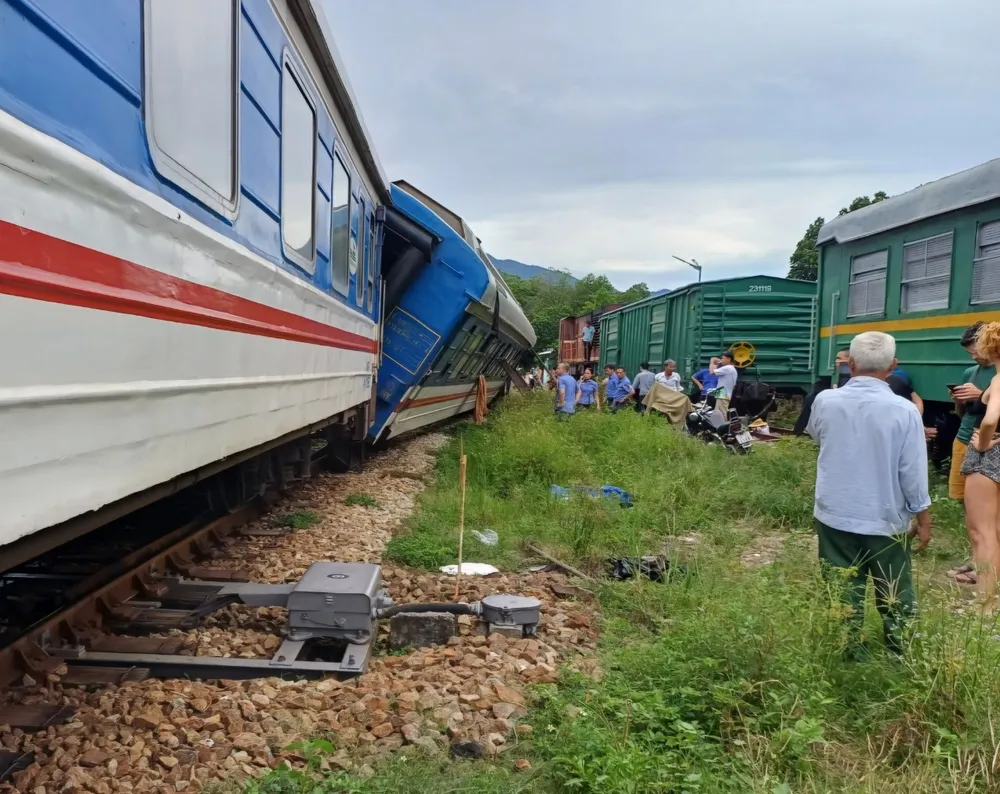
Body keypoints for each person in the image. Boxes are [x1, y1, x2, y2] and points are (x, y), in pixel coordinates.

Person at [806, 331, 931, 658]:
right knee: (894, 587)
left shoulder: (825, 401)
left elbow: (819, 437)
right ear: (892, 366)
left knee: (841, 586)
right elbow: (912, 471)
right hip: (885, 516)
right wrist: (923, 517)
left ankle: (848, 651)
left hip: (834, 511)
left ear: (850, 364)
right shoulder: (905, 411)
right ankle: (900, 653)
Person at [959, 322, 1000, 607]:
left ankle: (985, 602)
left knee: (981, 532)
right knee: (995, 531)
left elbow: (989, 419)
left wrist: (983, 443)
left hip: (987, 459)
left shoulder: (998, 381)